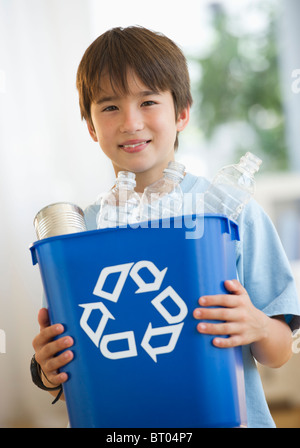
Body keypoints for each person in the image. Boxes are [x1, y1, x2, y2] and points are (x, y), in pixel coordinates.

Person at [32, 26, 300, 427]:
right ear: (90, 126)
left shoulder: (231, 214)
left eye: (148, 101)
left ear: (182, 113)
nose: (130, 122)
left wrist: (257, 324)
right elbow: (70, 356)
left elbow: (279, 352)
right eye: (109, 107)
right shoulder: (77, 232)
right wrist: (45, 368)